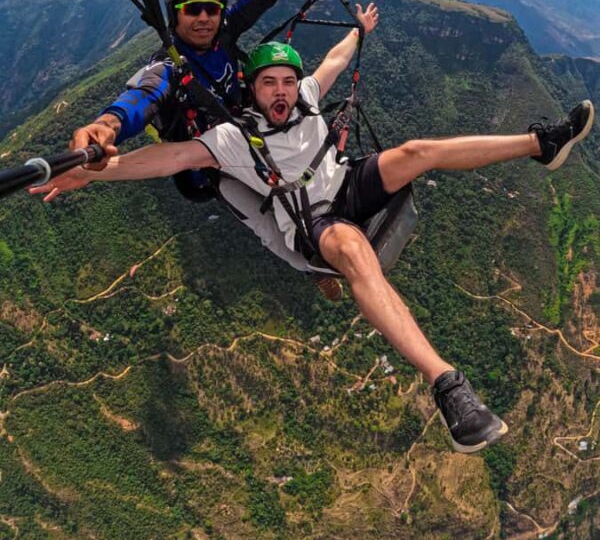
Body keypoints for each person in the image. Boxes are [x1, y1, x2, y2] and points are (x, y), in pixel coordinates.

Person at [31, 22, 595, 453]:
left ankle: (540, 144)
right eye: (266, 85)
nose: (279, 93)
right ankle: (447, 385)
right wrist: (95, 168)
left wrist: (359, 30)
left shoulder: (305, 96)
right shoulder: (234, 138)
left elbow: (333, 61)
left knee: (416, 153)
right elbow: (167, 158)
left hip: (345, 184)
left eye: (284, 82)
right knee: (351, 250)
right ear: (251, 91)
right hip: (311, 225)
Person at [67, 0, 317, 282]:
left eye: (211, 8)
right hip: (208, 164)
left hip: (247, 130)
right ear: (175, 14)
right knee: (262, 216)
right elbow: (141, 98)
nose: (203, 18)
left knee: (305, 170)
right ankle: (309, 263)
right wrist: (107, 126)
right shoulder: (168, 66)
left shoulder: (225, 30)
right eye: (191, 9)